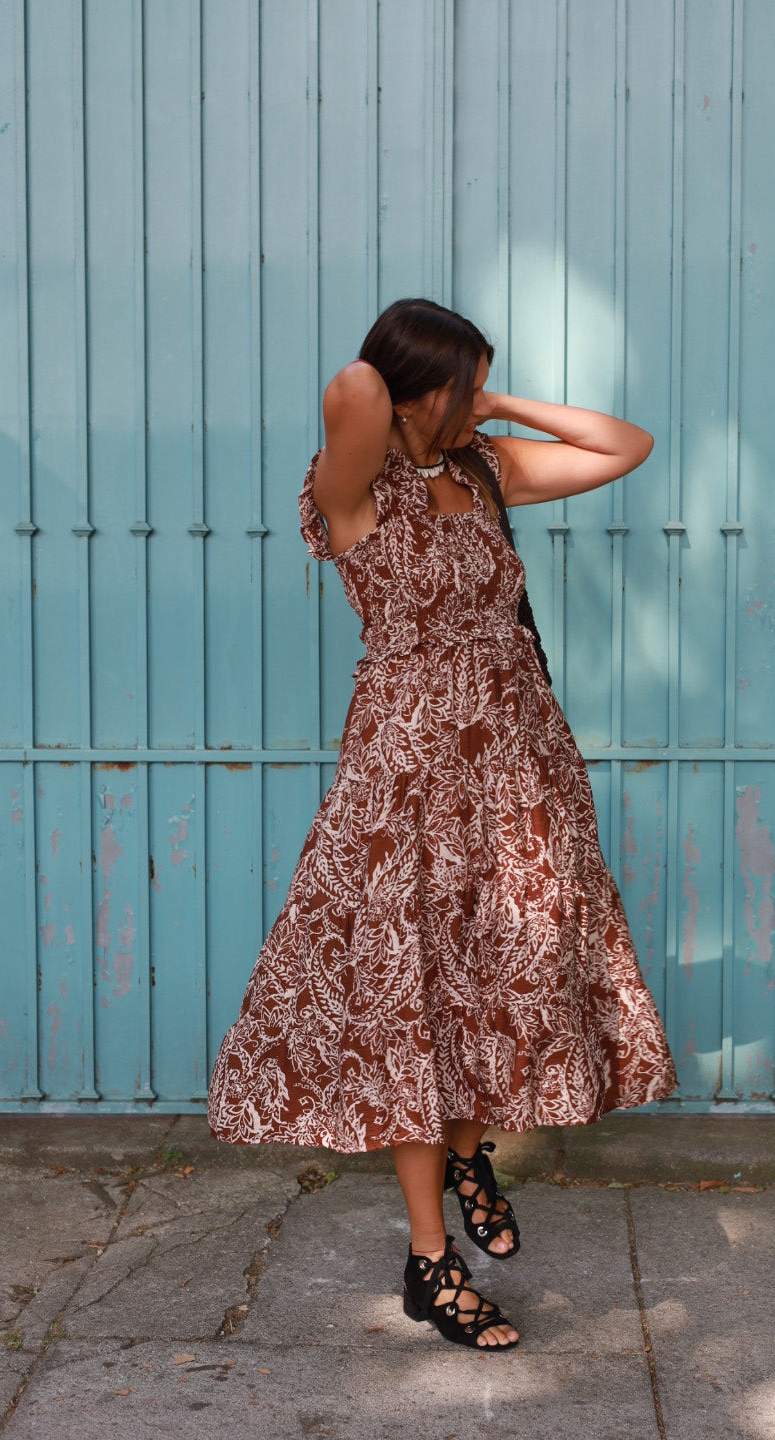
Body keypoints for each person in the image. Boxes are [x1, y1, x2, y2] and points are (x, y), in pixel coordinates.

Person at [206, 297, 678, 1352]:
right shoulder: (352, 489)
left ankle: (471, 1157)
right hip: (406, 781)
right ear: (417, 390)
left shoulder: (484, 470)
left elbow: (626, 445)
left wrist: (492, 406)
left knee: (495, 982)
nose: (478, 400)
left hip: (516, 766)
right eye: (465, 385)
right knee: (410, 1005)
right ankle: (431, 1262)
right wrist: (416, 387)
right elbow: (354, 389)